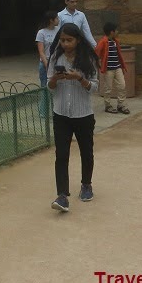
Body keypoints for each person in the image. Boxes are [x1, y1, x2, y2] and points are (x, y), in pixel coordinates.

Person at [47, 23, 99, 213]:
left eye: (69, 40)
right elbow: (49, 86)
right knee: (61, 155)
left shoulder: (88, 59)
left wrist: (79, 78)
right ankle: (62, 195)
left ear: (78, 40)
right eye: (62, 40)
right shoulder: (55, 57)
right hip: (61, 113)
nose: (65, 44)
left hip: (83, 114)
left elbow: (94, 87)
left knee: (86, 152)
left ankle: (86, 185)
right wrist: (55, 79)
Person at [95, 22, 128, 114]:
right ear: (111, 32)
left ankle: (121, 104)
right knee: (108, 88)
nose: (117, 32)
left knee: (122, 85)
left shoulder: (115, 41)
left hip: (117, 67)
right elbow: (97, 52)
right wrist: (98, 63)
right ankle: (108, 105)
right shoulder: (103, 41)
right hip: (109, 68)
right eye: (116, 30)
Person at [35, 11, 60, 89]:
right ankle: (44, 101)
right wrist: (47, 64)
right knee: (44, 87)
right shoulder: (41, 33)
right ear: (51, 20)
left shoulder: (58, 30)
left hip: (56, 61)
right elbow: (41, 51)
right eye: (56, 18)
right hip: (45, 62)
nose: (58, 20)